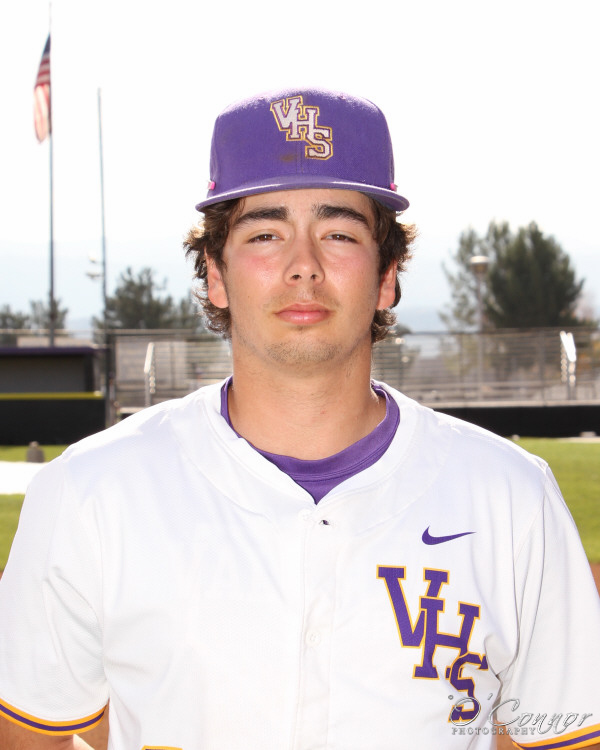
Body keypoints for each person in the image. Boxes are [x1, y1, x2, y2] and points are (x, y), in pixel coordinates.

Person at [0, 88, 599, 750]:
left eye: (338, 233)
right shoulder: (89, 492)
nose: (304, 267)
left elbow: (564, 736)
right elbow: (31, 735)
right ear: (216, 274)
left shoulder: (513, 497)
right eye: (265, 234)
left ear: (387, 276)